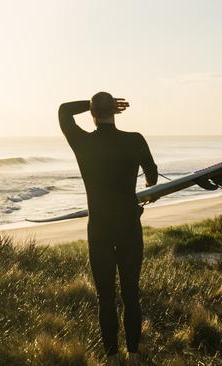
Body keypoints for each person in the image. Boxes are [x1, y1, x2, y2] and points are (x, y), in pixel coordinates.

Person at [58, 92, 158, 366]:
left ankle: (112, 357)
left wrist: (92, 103)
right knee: (130, 292)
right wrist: (148, 183)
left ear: (92, 113)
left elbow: (64, 111)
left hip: (100, 228)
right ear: (114, 111)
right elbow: (152, 177)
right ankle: (134, 354)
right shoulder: (135, 140)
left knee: (105, 296)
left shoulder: (83, 143)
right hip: (129, 226)